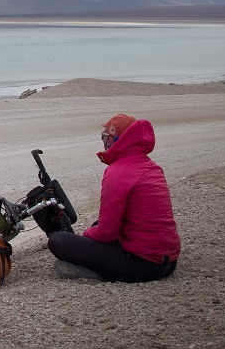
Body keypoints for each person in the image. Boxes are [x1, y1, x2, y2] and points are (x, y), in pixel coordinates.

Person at [47, 113, 180, 282]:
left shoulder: (118, 172)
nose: (103, 142)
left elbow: (106, 234)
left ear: (117, 140)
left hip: (143, 264)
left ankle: (98, 272)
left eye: (105, 137)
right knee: (97, 225)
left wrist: (86, 235)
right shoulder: (150, 166)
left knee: (58, 240)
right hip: (169, 260)